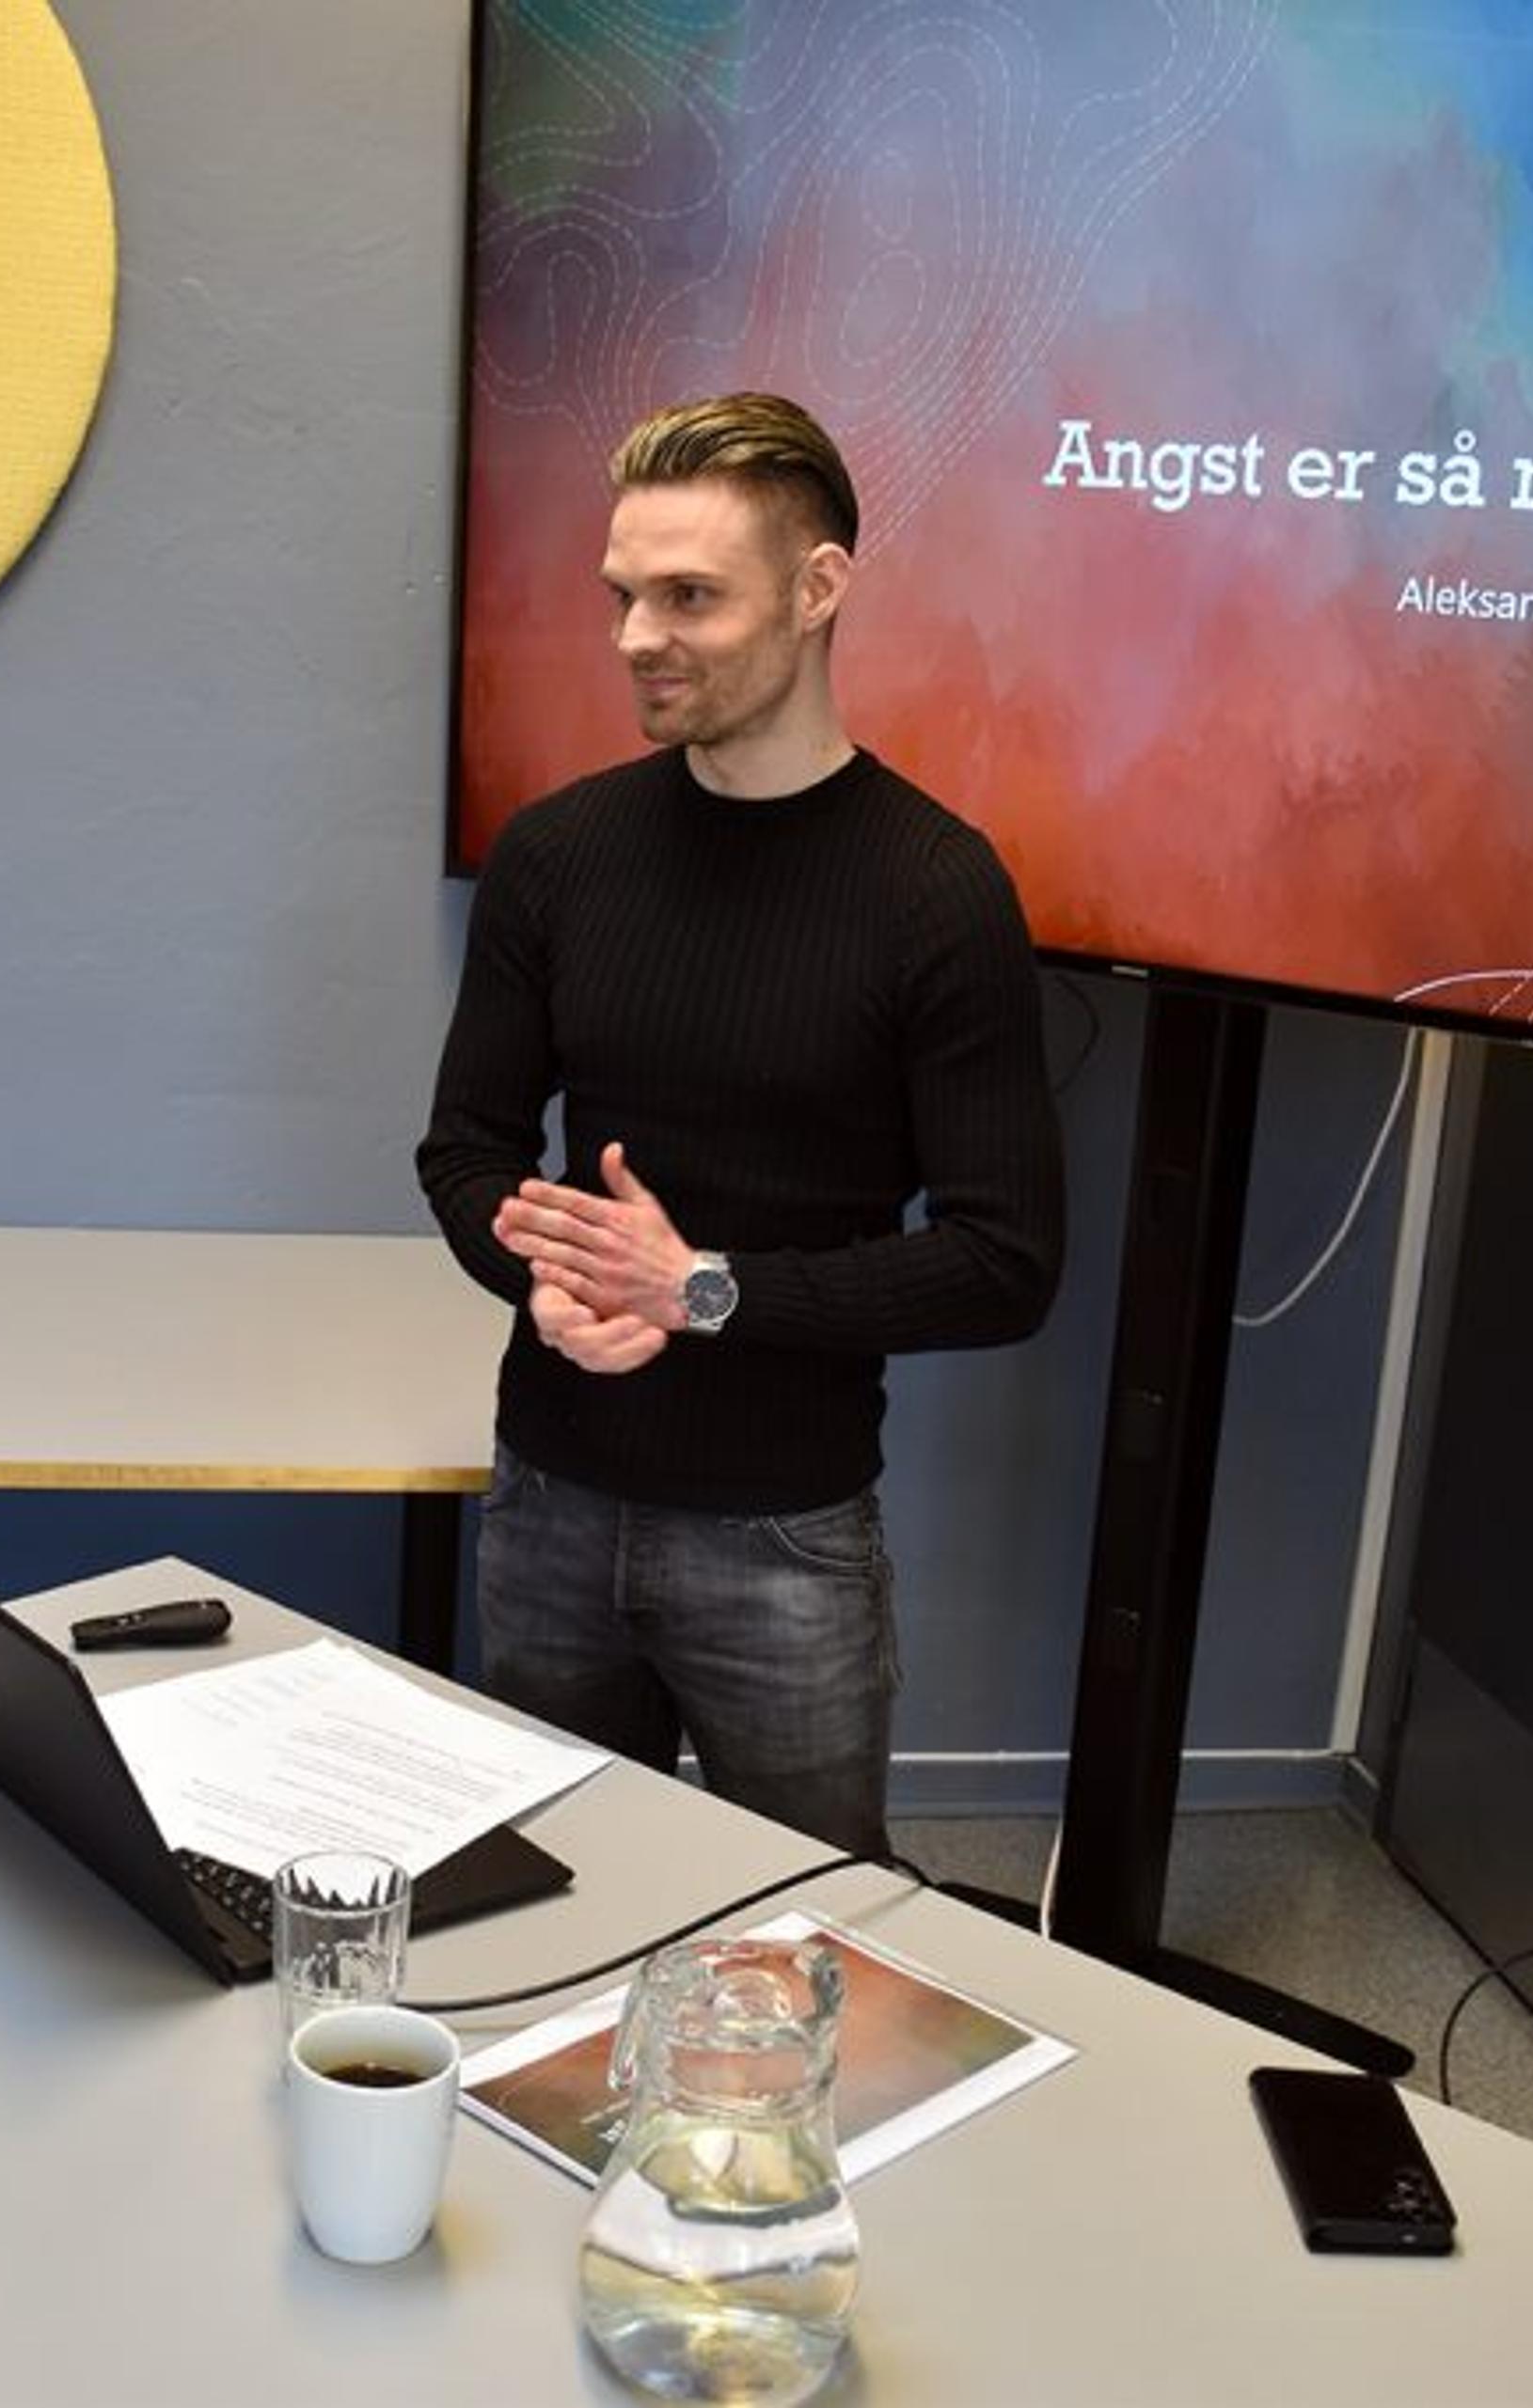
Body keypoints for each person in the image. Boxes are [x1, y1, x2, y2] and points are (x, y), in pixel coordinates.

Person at [416, 392, 1064, 1860]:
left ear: (818, 589)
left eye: (689, 597)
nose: (637, 637)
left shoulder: (937, 891)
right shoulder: (557, 855)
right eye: (623, 597)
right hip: (549, 1498)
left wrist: (701, 1290)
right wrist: (545, 1277)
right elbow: (464, 1152)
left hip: (784, 1536)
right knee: (547, 1899)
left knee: (800, 1931)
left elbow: (1006, 1260)